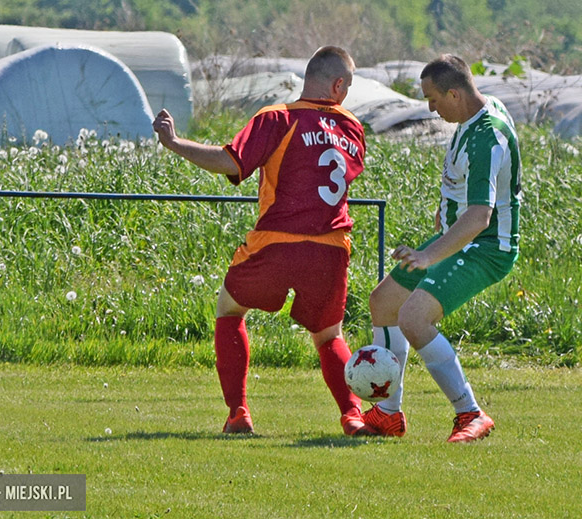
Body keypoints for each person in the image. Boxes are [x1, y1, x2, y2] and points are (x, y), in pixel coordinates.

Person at [153, 46, 376, 436]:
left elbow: (230, 162)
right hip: (331, 247)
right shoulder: (352, 127)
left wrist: (174, 143)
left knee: (229, 309)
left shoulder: (278, 117)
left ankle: (238, 412)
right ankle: (352, 415)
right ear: (338, 85)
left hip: (278, 240)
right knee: (328, 335)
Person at [363, 54, 521, 442]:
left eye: (433, 99)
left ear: (454, 93)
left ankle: (471, 414)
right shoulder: (475, 113)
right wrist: (448, 205)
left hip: (485, 247)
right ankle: (387, 414)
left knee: (414, 319)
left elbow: (480, 217)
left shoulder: (487, 136)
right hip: (459, 234)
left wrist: (429, 255)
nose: (430, 108)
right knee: (383, 303)